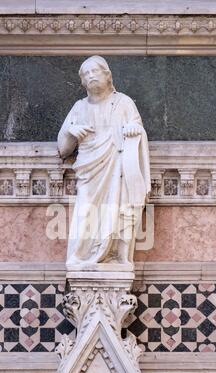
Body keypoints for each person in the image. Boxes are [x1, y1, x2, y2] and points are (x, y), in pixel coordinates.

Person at [58, 56, 150, 268]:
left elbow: (136, 129)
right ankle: (81, 257)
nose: (90, 76)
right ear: (82, 81)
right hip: (89, 172)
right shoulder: (79, 108)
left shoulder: (124, 103)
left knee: (116, 211)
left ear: (107, 76)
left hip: (116, 170)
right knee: (86, 211)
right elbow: (63, 148)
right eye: (86, 74)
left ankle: (113, 254)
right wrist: (71, 132)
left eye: (95, 72)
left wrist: (134, 131)